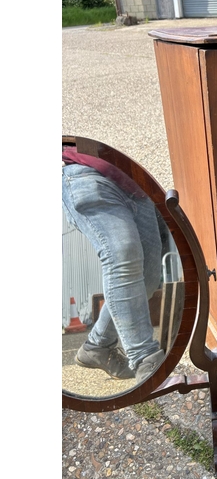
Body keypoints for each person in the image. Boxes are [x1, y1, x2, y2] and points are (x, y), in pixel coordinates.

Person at [62, 145, 164, 384]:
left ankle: (97, 346)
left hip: (139, 186)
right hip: (86, 172)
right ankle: (146, 360)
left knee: (148, 279)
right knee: (122, 254)